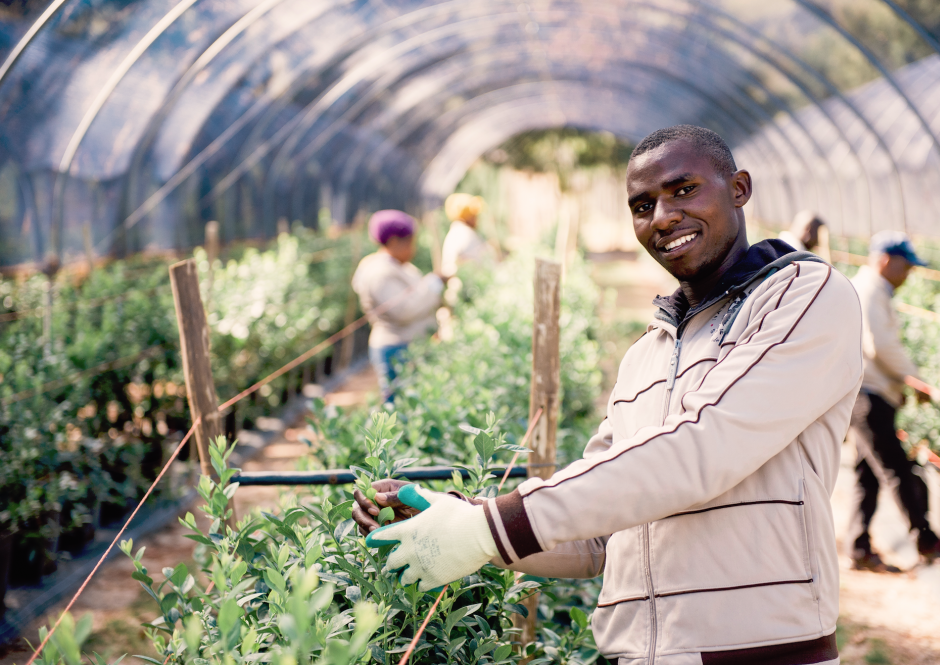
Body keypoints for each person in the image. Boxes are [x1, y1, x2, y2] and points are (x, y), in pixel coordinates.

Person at [354, 126, 863, 664]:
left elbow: (704, 446)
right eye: (643, 205)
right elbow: (599, 537)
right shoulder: (647, 352)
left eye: (683, 190)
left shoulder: (804, 296)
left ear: (738, 188)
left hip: (757, 651)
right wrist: (454, 514)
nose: (663, 216)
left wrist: (488, 529)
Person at [847, 231, 940, 572]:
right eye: (906, 266)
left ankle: (859, 548)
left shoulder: (869, 288)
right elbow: (879, 344)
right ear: (885, 260)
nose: (909, 274)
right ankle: (926, 542)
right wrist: (916, 381)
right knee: (897, 470)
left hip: (864, 392)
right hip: (870, 395)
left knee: (866, 474)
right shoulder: (870, 290)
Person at [351, 209, 443, 400]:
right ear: (393, 242)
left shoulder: (397, 265)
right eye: (410, 242)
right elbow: (404, 310)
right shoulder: (379, 273)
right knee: (399, 406)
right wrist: (433, 285)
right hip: (397, 348)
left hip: (409, 344)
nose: (414, 248)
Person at [440, 193, 494, 278]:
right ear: (468, 216)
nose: (477, 218)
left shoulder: (455, 233)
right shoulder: (465, 234)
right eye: (474, 215)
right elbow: (480, 263)